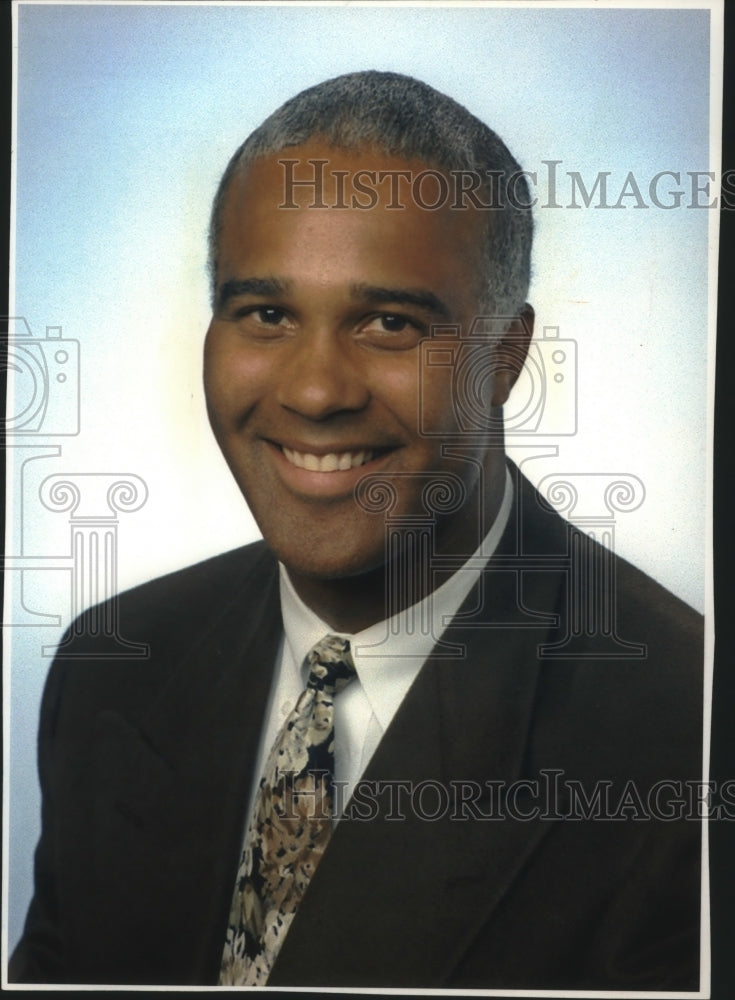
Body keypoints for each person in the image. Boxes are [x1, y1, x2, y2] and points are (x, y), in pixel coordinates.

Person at [9, 71, 703, 990]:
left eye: (388, 322)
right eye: (266, 314)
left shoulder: (684, 738)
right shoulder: (113, 667)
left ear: (505, 357)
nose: (313, 391)